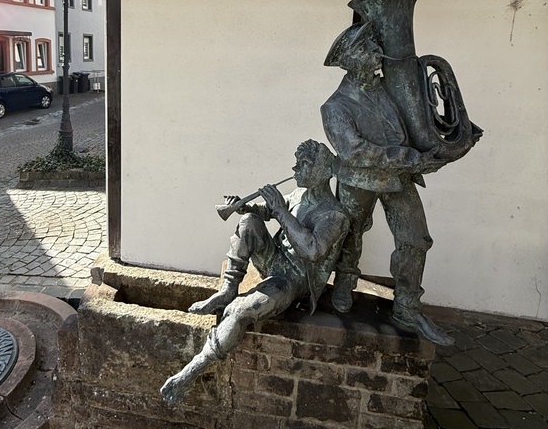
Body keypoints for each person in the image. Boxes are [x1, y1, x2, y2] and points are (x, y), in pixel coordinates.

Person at [160, 139, 350, 405]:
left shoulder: (334, 215)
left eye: (302, 165)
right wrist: (245, 206)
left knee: (241, 312)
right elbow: (268, 211)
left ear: (322, 171)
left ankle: (189, 373)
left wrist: (281, 211)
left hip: (293, 280)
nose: (295, 168)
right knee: (248, 221)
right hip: (277, 261)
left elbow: (311, 250)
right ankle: (227, 290)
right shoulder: (299, 195)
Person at [320, 22, 454, 346]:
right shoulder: (334, 107)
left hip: (398, 178)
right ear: (351, 59)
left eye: (375, 46)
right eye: (369, 49)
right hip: (359, 180)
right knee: (349, 235)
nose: (378, 53)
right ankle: (343, 284)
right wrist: (408, 157)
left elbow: (411, 122)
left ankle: (407, 309)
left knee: (415, 239)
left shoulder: (389, 86)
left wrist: (429, 146)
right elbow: (355, 151)